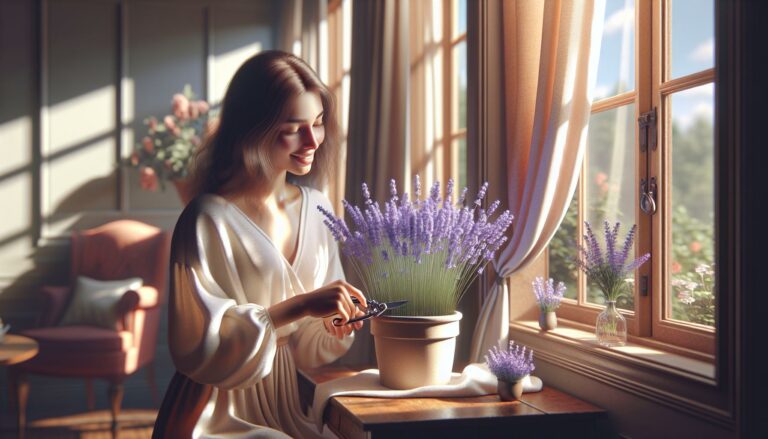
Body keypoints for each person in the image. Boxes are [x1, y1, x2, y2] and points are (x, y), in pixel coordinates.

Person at [153, 50, 367, 438]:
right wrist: (301, 304)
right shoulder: (206, 219)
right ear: (253, 128)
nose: (312, 140)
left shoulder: (316, 207)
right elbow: (199, 349)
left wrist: (333, 321)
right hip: (218, 404)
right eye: (294, 126)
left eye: (318, 123)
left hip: (287, 398)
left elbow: (307, 349)